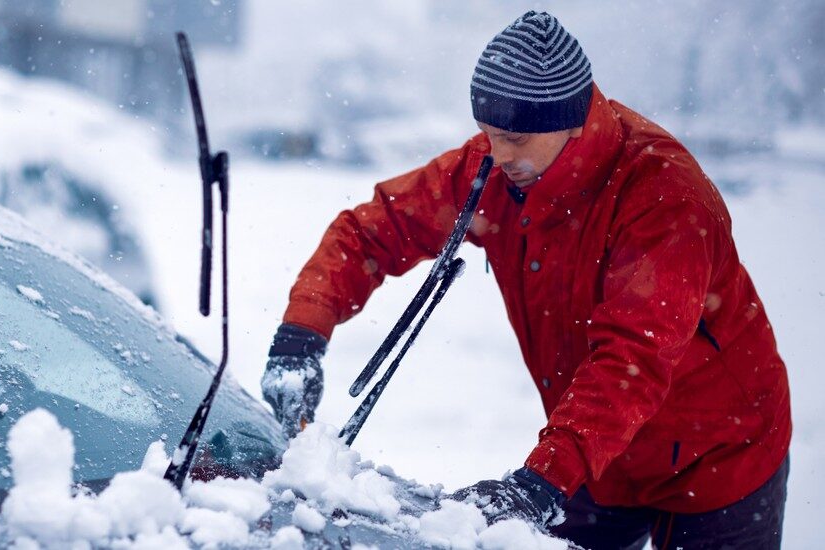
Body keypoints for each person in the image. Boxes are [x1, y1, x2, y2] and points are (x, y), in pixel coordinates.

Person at [261, 11, 791, 549]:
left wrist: (542, 483)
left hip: (717, 457)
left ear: (572, 121)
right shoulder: (492, 170)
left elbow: (633, 358)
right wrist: (302, 332)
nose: (496, 154)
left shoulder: (662, 197)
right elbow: (374, 230)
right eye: (487, 134)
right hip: (594, 457)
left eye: (513, 137)